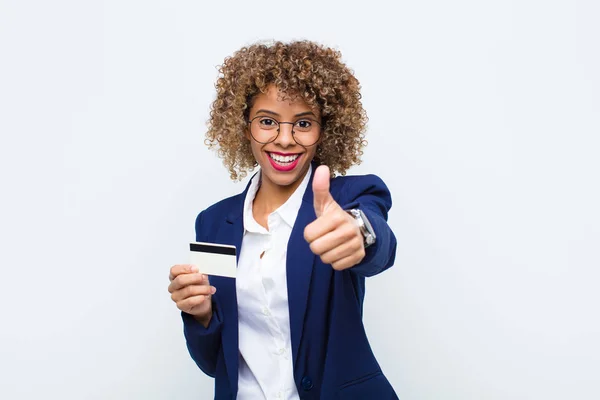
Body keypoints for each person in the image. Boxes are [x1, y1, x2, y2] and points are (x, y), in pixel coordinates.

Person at [168, 40, 399, 399]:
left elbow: (379, 241)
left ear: (325, 129)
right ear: (245, 127)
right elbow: (215, 363)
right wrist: (200, 314)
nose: (286, 140)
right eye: (267, 122)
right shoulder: (213, 224)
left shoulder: (350, 198)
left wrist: (360, 233)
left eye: (303, 123)